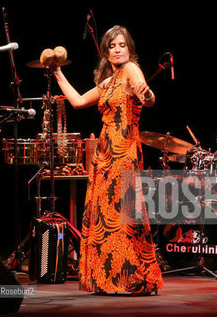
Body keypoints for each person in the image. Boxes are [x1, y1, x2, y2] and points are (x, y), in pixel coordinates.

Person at [49, 25, 163, 294]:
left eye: (122, 45)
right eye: (112, 46)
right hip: (105, 151)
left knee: (121, 213)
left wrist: (146, 94)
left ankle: (128, 277)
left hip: (123, 149)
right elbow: (77, 102)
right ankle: (109, 277)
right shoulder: (109, 81)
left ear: (129, 49)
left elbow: (147, 99)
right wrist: (57, 72)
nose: (117, 50)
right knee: (105, 214)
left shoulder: (131, 70)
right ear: (105, 52)